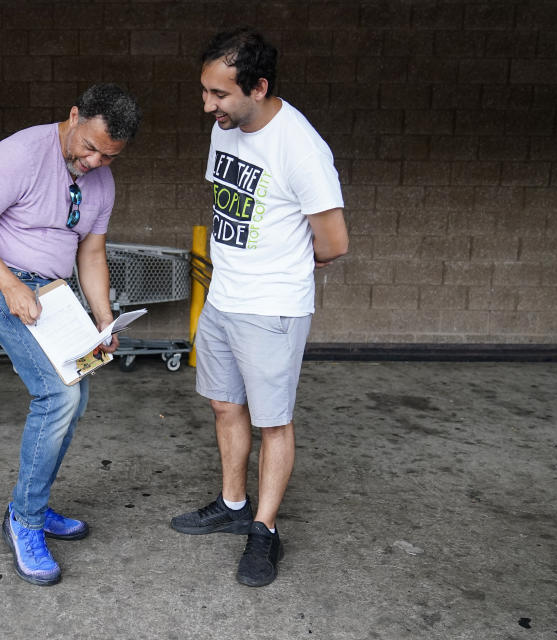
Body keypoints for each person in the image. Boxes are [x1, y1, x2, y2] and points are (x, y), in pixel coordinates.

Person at [171, 28, 349, 587]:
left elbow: (334, 242)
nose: (208, 105)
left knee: (274, 422)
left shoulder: (300, 148)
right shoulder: (227, 129)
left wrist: (291, 263)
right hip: (224, 297)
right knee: (226, 408)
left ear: (259, 86)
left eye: (219, 94)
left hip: (271, 306)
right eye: (205, 90)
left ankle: (264, 529)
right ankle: (232, 503)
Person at [0, 84, 141, 586]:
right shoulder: (19, 154)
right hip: (4, 281)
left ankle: (31, 502)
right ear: (74, 116)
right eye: (90, 147)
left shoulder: (102, 181)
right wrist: (10, 286)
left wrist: (103, 318)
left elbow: (91, 254)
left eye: (109, 155)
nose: (95, 161)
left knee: (75, 398)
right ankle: (25, 521)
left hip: (55, 294)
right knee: (57, 395)